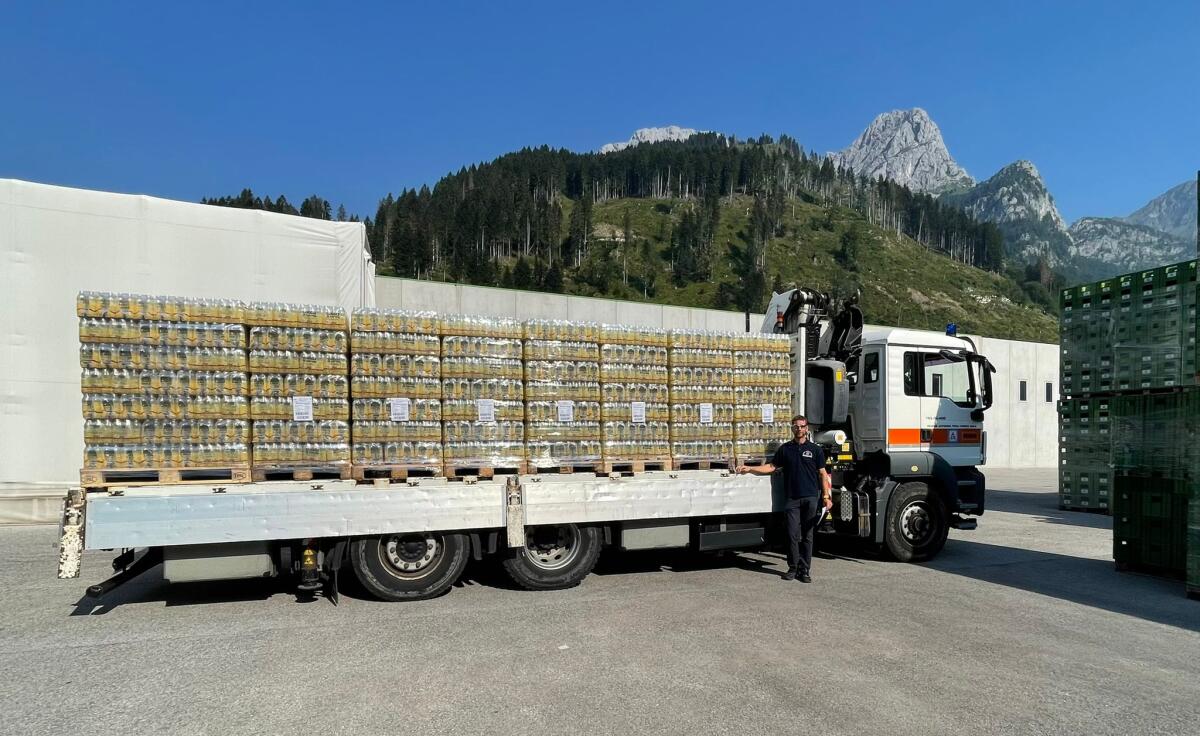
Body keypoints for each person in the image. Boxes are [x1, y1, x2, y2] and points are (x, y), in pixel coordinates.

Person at [736, 414, 832, 583]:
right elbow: (771, 466)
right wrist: (750, 469)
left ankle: (805, 570)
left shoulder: (815, 450)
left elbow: (823, 474)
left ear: (806, 429)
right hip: (792, 499)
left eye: (802, 426)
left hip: (810, 497)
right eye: (796, 426)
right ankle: (793, 568)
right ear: (792, 428)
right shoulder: (785, 449)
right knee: (792, 534)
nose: (799, 429)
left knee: (807, 536)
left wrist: (826, 496)